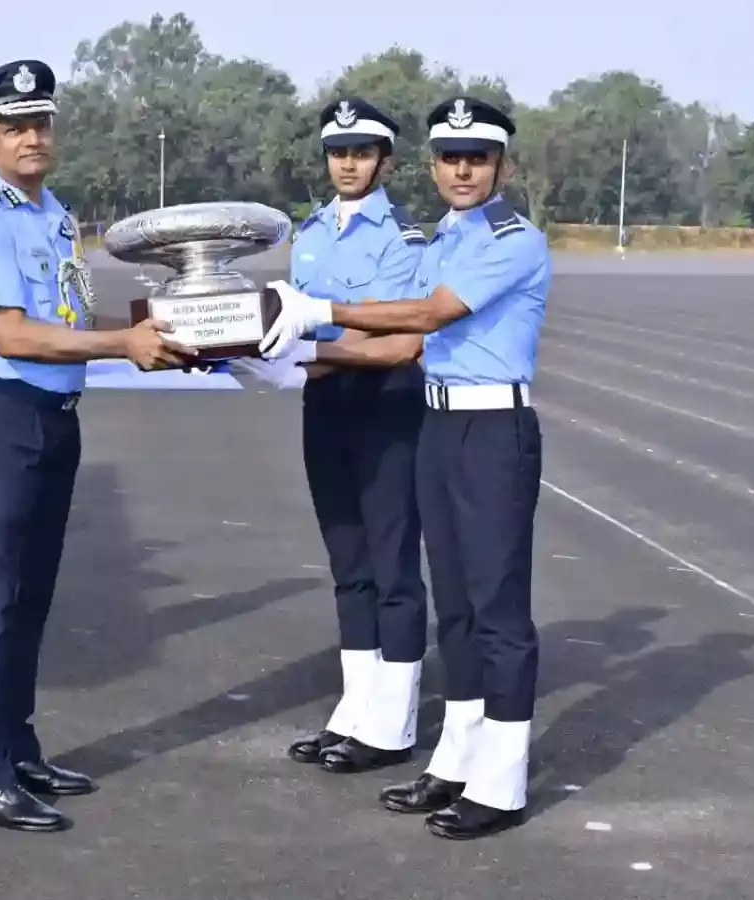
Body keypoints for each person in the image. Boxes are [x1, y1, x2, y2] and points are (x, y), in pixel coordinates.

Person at [257, 96, 549, 841]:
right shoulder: (445, 239)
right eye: (450, 159)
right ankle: (457, 759)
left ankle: (502, 781)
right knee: (455, 603)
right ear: (433, 165)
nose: (462, 171)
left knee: (497, 609)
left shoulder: (511, 239)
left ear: (501, 166)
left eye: (477, 159)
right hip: (439, 421)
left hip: (493, 427)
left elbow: (427, 316)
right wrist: (289, 353)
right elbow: (399, 330)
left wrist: (317, 314)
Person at [0, 58, 195, 833]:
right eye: (15, 126)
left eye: (41, 124)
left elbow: (70, 318)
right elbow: (13, 335)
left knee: (31, 595)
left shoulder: (52, 214)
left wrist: (170, 326)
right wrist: (125, 344)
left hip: (53, 417)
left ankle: (17, 748)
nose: (32, 138)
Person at [233, 96, 427, 776]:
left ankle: (394, 722)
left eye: (361, 152)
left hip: (386, 404)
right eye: (338, 152)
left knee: (392, 565)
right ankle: (356, 709)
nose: (347, 163)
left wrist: (307, 353)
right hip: (326, 404)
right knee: (349, 563)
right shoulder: (311, 231)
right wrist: (254, 350)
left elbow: (393, 334)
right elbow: (293, 323)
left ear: (385, 161)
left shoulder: (403, 239)